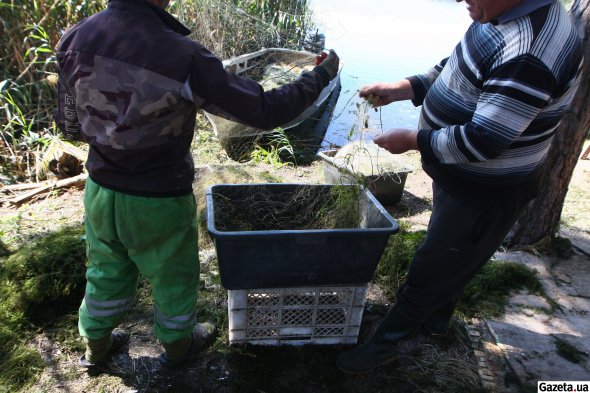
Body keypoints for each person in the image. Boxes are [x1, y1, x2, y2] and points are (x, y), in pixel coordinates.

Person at [54, 0, 339, 368]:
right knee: (173, 276)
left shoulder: (75, 36)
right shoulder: (182, 55)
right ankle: (178, 347)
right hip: (158, 200)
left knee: (104, 271)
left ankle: (95, 348)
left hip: (100, 191)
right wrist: (320, 75)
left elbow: (69, 125)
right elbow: (266, 111)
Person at [337, 0, 582, 374]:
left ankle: (386, 344)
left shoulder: (529, 52)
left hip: (485, 189)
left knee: (434, 264)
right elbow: (459, 68)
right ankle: (436, 320)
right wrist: (405, 88)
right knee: (454, 253)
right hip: (459, 175)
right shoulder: (498, 13)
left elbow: (484, 140)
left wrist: (415, 139)